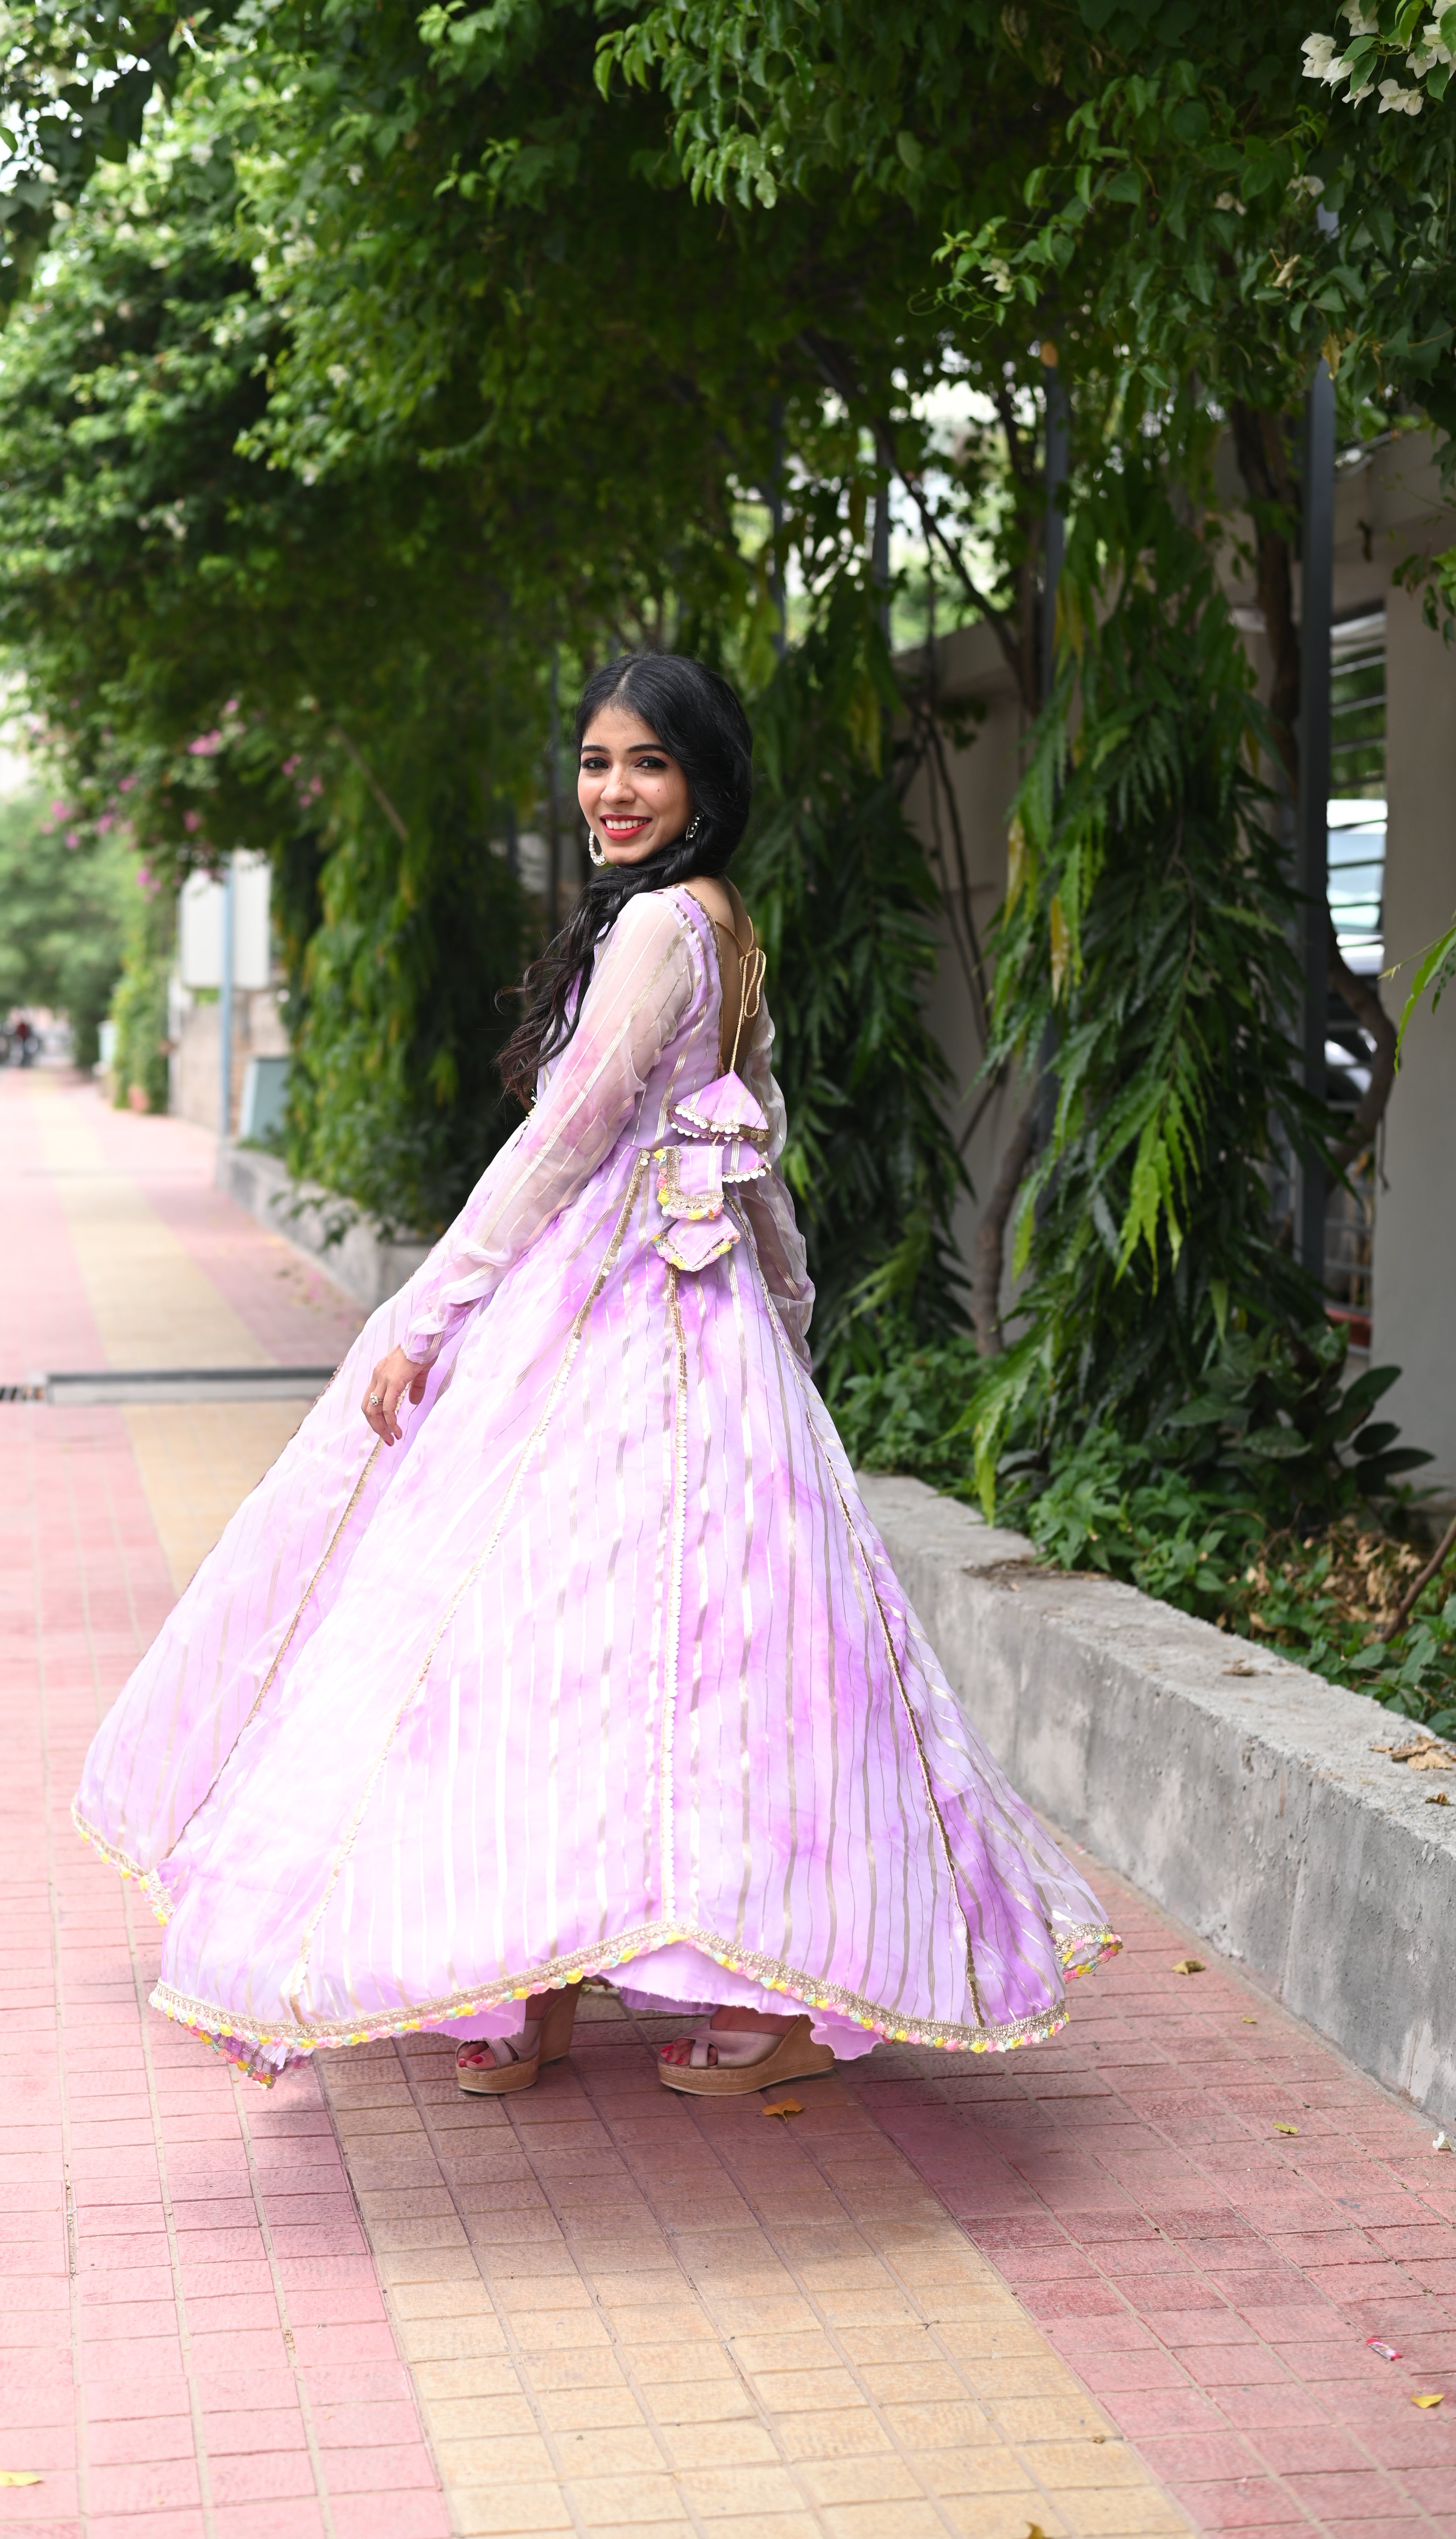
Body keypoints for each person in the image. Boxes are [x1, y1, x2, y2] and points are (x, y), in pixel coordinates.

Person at [73, 652, 1118, 2099]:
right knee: (658, 1657)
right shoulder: (721, 924)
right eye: (594, 762)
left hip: (623, 1336)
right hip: (674, 1332)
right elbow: (751, 1169)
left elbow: (570, 1143)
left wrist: (426, 1317)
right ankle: (577, 1975)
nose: (612, 793)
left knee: (555, 1642)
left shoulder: (665, 933)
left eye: (648, 765)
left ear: (703, 783)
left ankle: (588, 1980)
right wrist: (789, 1327)